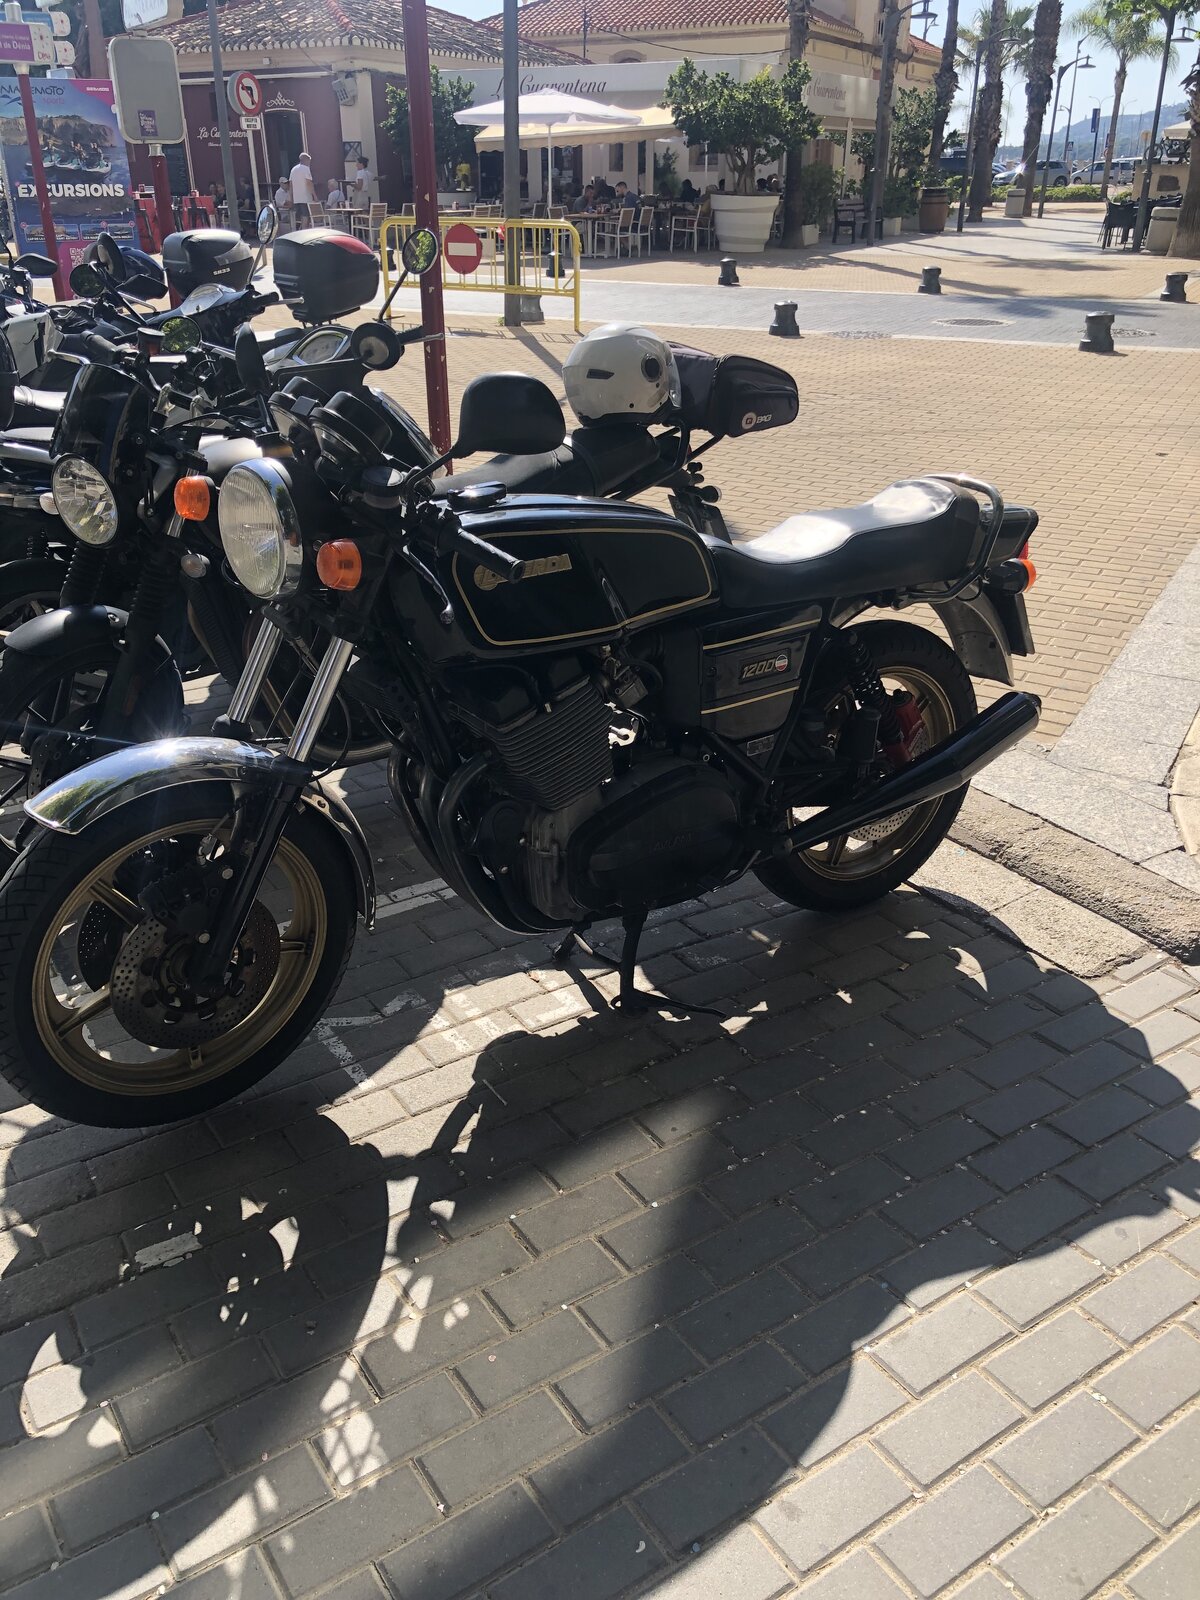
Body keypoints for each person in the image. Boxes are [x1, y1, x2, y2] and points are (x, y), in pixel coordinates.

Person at [289, 152, 315, 225]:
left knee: (299, 216)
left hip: (296, 198)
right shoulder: (306, 169)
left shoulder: (293, 170)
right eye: (309, 161)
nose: (309, 163)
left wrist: (291, 198)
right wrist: (314, 196)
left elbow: (290, 185)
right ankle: (304, 229)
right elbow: (309, 183)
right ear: (306, 160)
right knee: (306, 215)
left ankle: (299, 229)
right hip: (305, 197)